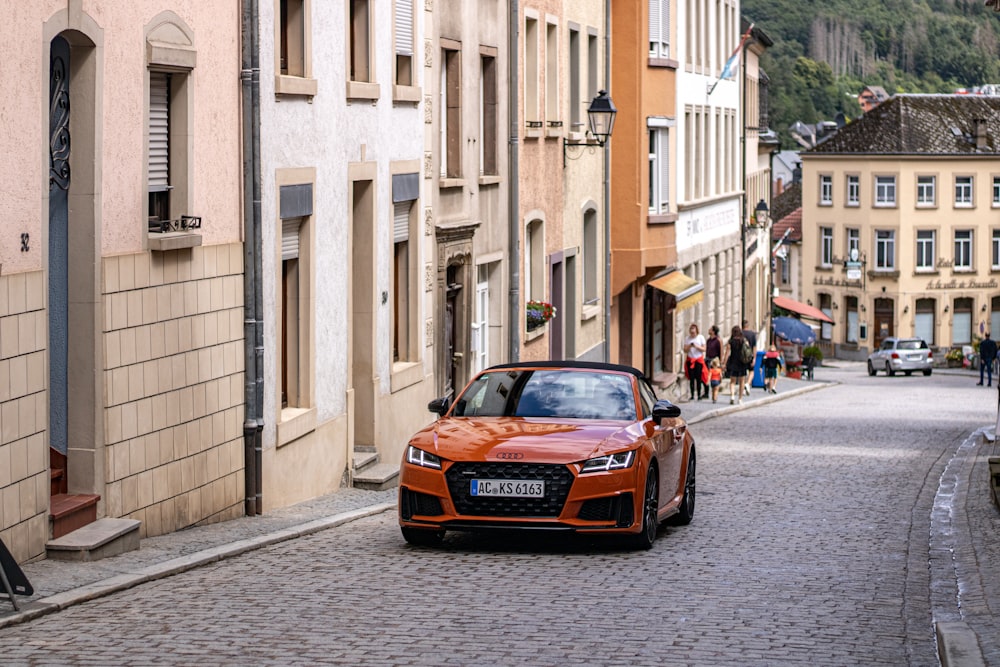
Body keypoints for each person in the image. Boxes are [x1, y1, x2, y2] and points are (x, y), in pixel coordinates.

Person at [721, 325, 749, 405]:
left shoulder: (731, 341)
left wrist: (724, 363)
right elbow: (748, 350)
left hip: (733, 362)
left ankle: (732, 396)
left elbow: (727, 353)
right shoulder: (743, 340)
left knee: (732, 381)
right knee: (742, 381)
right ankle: (740, 399)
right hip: (742, 363)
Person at [684, 323, 708, 400]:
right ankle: (692, 395)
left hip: (698, 360)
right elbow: (685, 350)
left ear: (696, 331)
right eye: (691, 332)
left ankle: (698, 394)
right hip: (690, 360)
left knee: (698, 378)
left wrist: (696, 346)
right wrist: (690, 346)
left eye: (693, 332)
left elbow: (704, 349)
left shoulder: (700, 337)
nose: (692, 334)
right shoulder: (687, 338)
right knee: (691, 378)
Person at [741, 320, 758, 394]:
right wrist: (754, 358)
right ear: (747, 326)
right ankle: (747, 384)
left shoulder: (740, 334)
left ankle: (743, 388)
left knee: (743, 372)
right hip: (749, 355)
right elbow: (754, 347)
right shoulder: (752, 334)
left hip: (741, 356)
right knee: (751, 371)